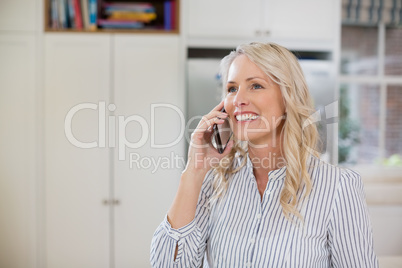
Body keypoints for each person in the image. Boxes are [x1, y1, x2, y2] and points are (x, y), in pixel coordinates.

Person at [150, 42, 378, 267]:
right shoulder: (213, 181)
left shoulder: (338, 187)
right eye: (231, 89)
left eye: (256, 86)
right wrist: (194, 170)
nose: (239, 100)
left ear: (288, 98)